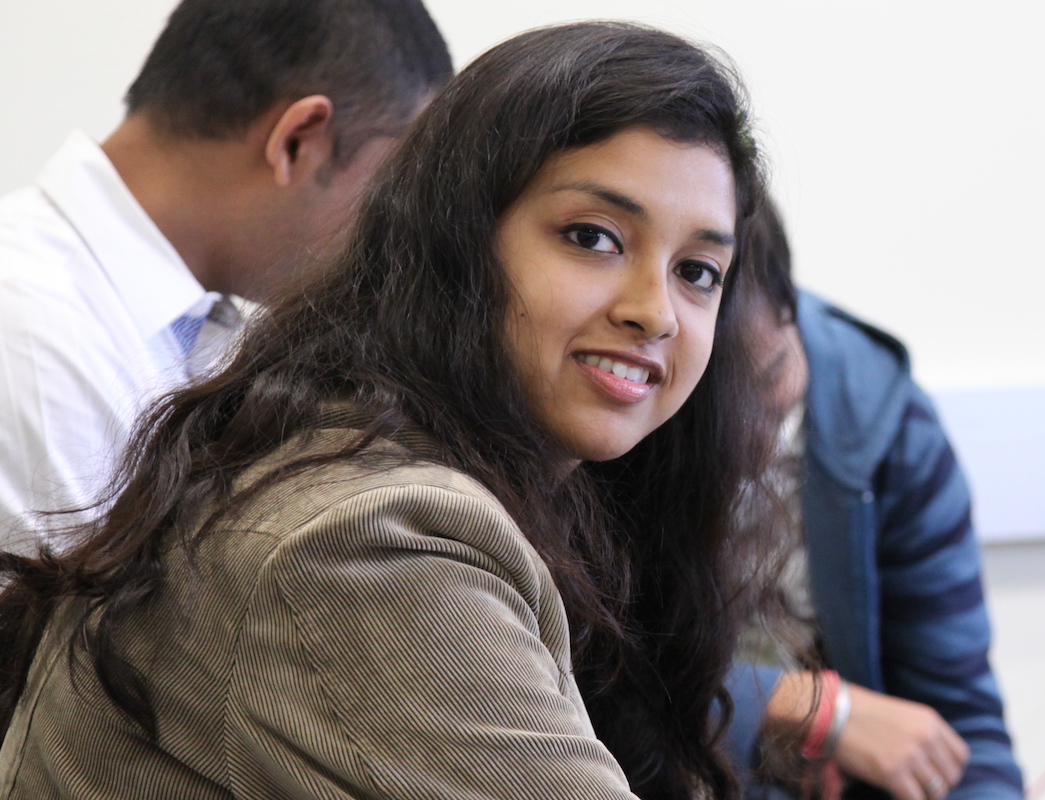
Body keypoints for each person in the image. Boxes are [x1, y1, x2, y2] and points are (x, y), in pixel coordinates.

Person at [0, 22, 805, 800]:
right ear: (456, 243)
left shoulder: (535, 493)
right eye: (593, 237)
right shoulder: (370, 543)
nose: (654, 311)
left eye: (698, 271)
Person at [0, 0, 452, 551]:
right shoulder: (30, 330)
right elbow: (82, 632)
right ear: (298, 141)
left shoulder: (186, 321)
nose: (388, 234)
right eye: (390, 188)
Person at [727, 202, 1025, 800]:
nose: (754, 440)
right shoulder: (592, 441)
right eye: (716, 413)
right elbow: (574, 691)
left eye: (770, 382)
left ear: (794, 318)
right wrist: (808, 706)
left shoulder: (889, 428)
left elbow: (958, 723)